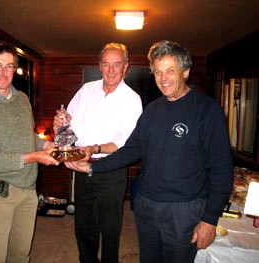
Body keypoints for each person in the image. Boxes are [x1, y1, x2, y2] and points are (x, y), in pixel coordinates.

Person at [65, 40, 233, 263]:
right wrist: (92, 166)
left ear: (186, 71)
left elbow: (221, 170)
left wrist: (210, 220)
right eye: (158, 72)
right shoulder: (153, 109)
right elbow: (132, 149)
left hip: (183, 210)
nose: (164, 79)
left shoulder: (207, 111)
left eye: (170, 71)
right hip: (147, 206)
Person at [0, 42, 59, 263]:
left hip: (28, 189)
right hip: (0, 192)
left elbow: (28, 137)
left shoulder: (23, 99)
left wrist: (43, 145)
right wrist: (34, 157)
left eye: (9, 66)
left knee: (20, 253)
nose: (4, 72)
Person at [53, 42, 143, 263]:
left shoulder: (132, 99)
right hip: (81, 166)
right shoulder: (86, 90)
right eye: (106, 64)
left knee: (110, 227)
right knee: (84, 225)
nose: (111, 70)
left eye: (116, 64)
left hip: (111, 170)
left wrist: (95, 148)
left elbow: (126, 142)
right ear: (100, 66)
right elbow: (70, 128)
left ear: (126, 66)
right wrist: (61, 125)